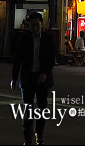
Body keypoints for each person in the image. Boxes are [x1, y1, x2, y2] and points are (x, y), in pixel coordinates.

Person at [11, 12, 56, 145]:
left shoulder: (48, 39)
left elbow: (51, 58)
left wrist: (45, 73)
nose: (35, 28)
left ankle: (39, 136)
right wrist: (14, 78)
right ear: (29, 26)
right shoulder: (24, 39)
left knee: (42, 108)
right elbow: (17, 59)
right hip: (28, 78)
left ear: (42, 24)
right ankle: (27, 140)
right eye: (32, 25)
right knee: (28, 109)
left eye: (37, 25)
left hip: (43, 78)